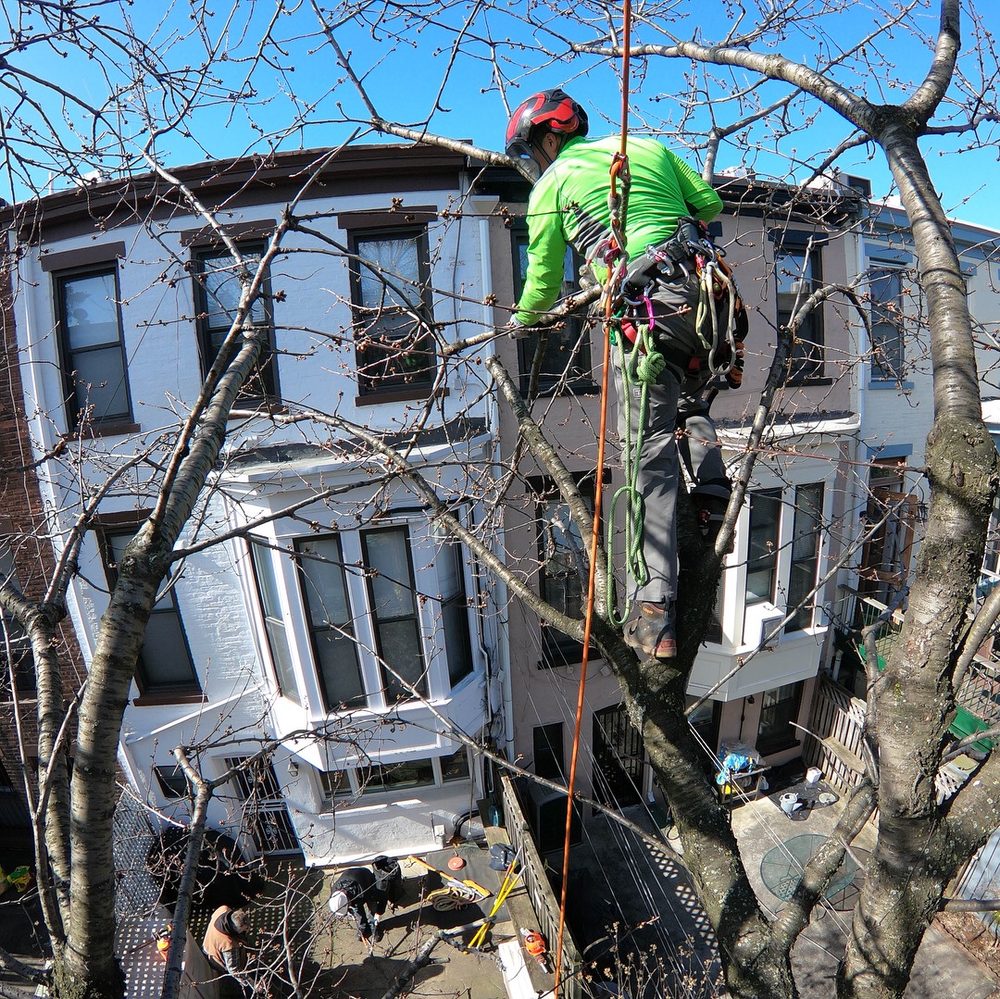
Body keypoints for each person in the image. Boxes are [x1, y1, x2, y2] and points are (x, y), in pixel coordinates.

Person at [506, 88, 741, 660]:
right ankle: (711, 492)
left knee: (646, 456)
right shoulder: (650, 148)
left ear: (548, 138)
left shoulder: (551, 186)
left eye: (532, 154)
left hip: (646, 312)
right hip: (709, 305)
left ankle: (653, 610)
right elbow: (708, 205)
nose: (534, 165)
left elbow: (540, 283)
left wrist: (521, 323)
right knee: (691, 403)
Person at [328, 864, 389, 942]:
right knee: (357, 910)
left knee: (372, 905)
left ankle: (373, 925)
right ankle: (363, 927)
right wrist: (350, 911)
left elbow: (380, 896)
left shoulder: (361, 891)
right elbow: (354, 909)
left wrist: (379, 911)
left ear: (348, 900)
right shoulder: (334, 895)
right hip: (352, 880)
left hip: (366, 879)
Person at [201, 904, 253, 996]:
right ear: (236, 929)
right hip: (215, 958)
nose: (248, 929)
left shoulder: (223, 909)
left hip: (207, 944)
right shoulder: (228, 944)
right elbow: (234, 970)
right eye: (245, 929)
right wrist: (252, 983)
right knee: (238, 980)